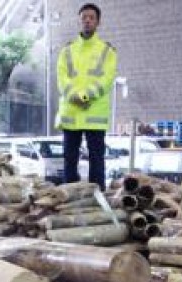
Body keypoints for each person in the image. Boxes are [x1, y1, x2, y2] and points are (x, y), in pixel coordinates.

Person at [55, 3, 117, 190]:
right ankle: (69, 199)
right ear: (79, 20)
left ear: (98, 22)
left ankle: (97, 200)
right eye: (84, 18)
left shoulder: (107, 51)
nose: (87, 21)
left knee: (97, 159)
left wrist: (82, 96)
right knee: (69, 159)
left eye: (91, 18)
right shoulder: (67, 51)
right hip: (72, 115)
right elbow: (61, 77)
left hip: (93, 116)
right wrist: (75, 96)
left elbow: (107, 79)